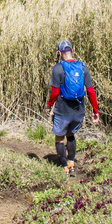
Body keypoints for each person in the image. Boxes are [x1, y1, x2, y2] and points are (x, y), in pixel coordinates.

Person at [45, 39, 99, 176]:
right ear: (72, 51)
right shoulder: (83, 67)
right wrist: (95, 111)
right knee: (70, 135)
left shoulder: (57, 68)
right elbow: (91, 91)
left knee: (59, 138)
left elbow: (55, 92)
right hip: (78, 111)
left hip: (62, 111)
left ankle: (64, 167)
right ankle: (72, 164)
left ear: (59, 53)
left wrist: (49, 106)